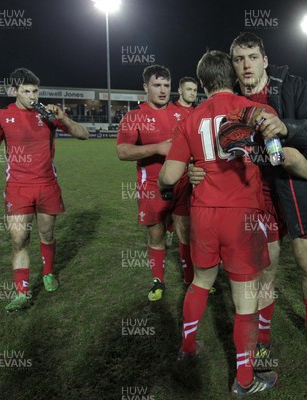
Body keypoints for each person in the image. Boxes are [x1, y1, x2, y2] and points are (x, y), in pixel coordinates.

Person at [189, 32, 307, 359]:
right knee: (265, 269)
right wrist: (192, 169)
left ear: (265, 60)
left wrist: (287, 127)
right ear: (232, 65)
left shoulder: (293, 86)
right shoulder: (228, 99)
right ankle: (264, 337)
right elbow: (203, 145)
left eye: (252, 57)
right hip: (255, 197)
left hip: (298, 189)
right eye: (238, 59)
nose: (246, 65)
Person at [158, 50, 278, 396]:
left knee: (200, 282)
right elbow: (276, 157)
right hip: (243, 213)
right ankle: (243, 380)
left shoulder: (190, 119)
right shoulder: (258, 110)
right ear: (233, 75)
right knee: (245, 300)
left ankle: (188, 347)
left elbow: (169, 175)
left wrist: (190, 170)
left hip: (205, 212)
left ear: (203, 83)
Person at [0, 67, 89, 312]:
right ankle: (22, 291)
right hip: (18, 187)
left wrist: (64, 117)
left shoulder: (48, 115)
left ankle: (48, 272)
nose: (32, 95)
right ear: (15, 91)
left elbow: (84, 135)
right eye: (26, 91)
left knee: (46, 235)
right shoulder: (0, 116)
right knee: (19, 238)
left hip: (47, 185)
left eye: (35, 91)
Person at [117, 64, 191, 300]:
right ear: (145, 87)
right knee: (156, 235)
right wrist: (158, 148)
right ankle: (158, 280)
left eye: (166, 85)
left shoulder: (185, 114)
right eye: (157, 85)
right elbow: (123, 151)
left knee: (186, 232)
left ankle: (191, 280)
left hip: (183, 184)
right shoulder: (134, 116)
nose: (162, 90)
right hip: (150, 187)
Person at [164, 76, 198, 283]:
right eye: (189, 89)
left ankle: (190, 275)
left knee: (190, 226)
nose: (192, 93)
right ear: (180, 90)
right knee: (178, 223)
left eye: (195, 90)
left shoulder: (198, 112)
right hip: (173, 174)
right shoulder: (168, 111)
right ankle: (188, 274)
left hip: (194, 176)